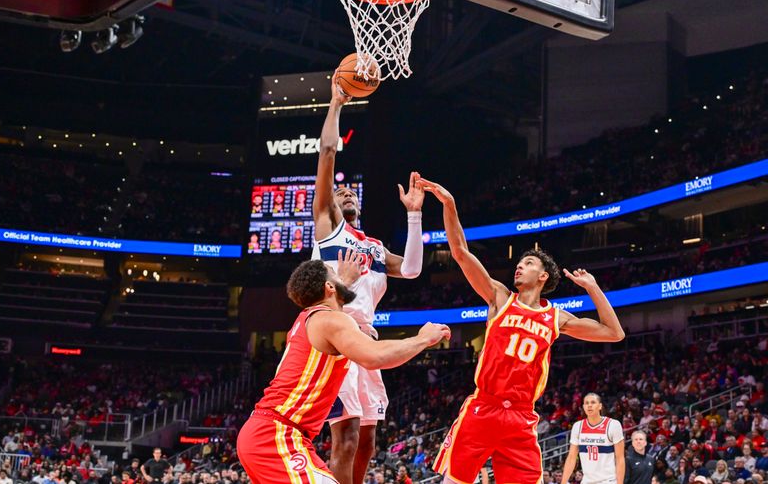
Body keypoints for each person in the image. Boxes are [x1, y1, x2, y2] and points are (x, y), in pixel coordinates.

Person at [421, 178, 625, 484]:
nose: (519, 266)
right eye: (519, 262)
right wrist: (449, 205)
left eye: (527, 263)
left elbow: (614, 333)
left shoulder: (556, 317)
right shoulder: (500, 297)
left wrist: (594, 288)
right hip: (484, 407)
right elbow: (461, 252)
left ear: (542, 276)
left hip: (520, 416)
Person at [236, 259, 450, 484]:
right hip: (276, 436)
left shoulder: (307, 320)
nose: (342, 276)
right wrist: (423, 339)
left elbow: (328, 296)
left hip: (270, 433)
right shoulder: (330, 320)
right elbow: (376, 356)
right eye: (335, 274)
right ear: (329, 288)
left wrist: (343, 281)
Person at [312, 80, 426, 484]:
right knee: (343, 437)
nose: (344, 193)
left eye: (349, 191)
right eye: (337, 191)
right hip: (336, 334)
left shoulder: (375, 246)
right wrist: (335, 104)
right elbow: (328, 152)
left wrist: (414, 215)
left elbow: (412, 269)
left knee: (367, 441)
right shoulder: (327, 228)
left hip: (367, 340)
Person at [561, 393, 625, 484]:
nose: (589, 405)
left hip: (608, 481)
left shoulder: (613, 425)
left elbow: (620, 458)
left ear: (600, 406)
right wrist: (563, 482)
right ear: (583, 407)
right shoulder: (577, 426)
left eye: (593, 402)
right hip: (587, 481)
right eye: (586, 403)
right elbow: (571, 457)